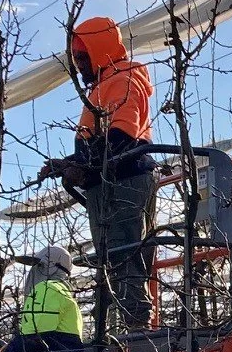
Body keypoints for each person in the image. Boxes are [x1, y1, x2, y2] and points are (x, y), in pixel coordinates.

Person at [49, 17, 156, 330]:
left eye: (83, 57)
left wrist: (81, 166)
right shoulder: (104, 86)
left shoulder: (123, 81)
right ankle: (128, 324)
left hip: (124, 181)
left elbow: (122, 138)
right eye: (76, 59)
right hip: (110, 183)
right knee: (114, 257)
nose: (79, 66)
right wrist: (68, 163)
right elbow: (103, 144)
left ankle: (137, 327)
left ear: (100, 51)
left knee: (124, 253)